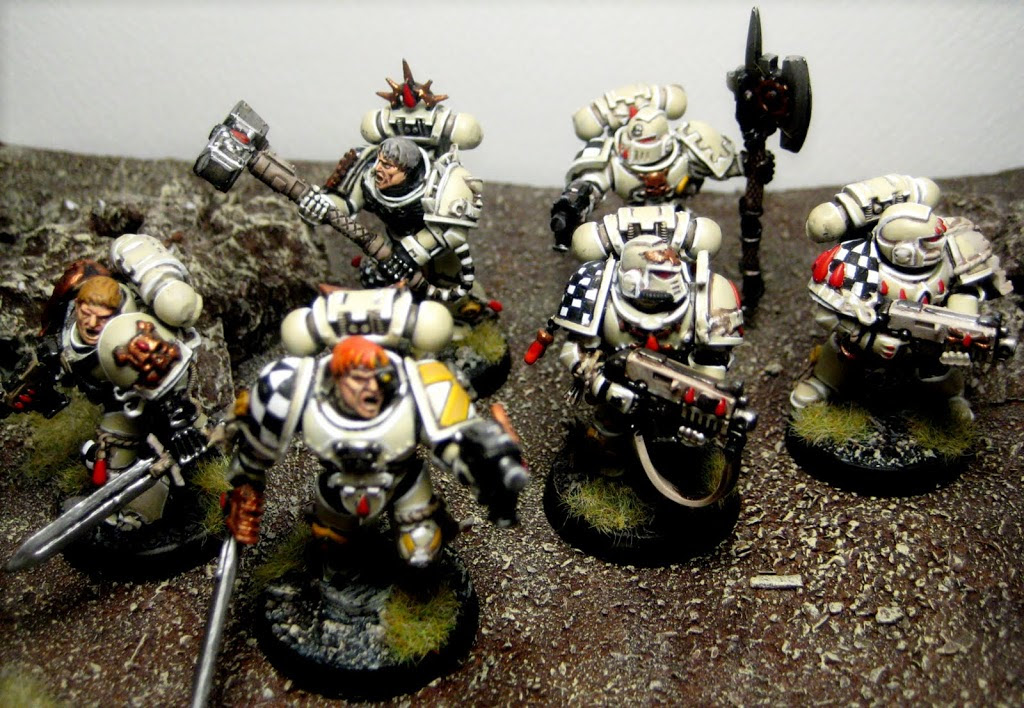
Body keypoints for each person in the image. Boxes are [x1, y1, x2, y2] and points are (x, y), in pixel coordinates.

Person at [223, 335, 525, 568]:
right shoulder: (299, 395)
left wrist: (488, 464)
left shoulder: (417, 394)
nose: (372, 388)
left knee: (421, 549)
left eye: (378, 378)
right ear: (337, 378)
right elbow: (255, 451)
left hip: (403, 485)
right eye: (358, 378)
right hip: (339, 489)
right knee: (329, 548)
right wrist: (245, 486)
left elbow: (453, 446)